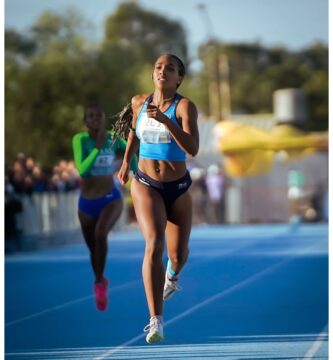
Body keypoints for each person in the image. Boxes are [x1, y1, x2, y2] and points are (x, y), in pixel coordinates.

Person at [117, 54, 199, 343]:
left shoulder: (184, 106)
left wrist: (166, 120)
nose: (164, 71)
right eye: (159, 67)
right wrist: (127, 162)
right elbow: (134, 133)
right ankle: (156, 321)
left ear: (179, 78)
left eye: (171, 69)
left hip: (177, 187)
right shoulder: (139, 101)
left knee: (178, 254)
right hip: (145, 182)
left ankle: (172, 277)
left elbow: (192, 148)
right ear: (153, 75)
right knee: (154, 243)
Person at [72, 105, 137, 311]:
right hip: (86, 203)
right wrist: (98, 148)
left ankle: (99, 283)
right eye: (91, 116)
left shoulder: (113, 137)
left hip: (110, 198)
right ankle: (99, 280)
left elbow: (130, 151)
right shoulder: (80, 140)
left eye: (99, 116)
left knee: (101, 234)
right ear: (86, 121)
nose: (95, 119)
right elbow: (82, 170)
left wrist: (135, 172)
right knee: (94, 249)